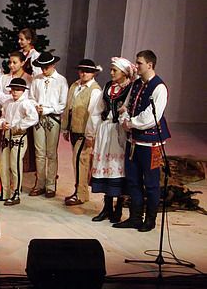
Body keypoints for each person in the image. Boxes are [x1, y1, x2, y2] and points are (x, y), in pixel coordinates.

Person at [114, 50, 170, 232]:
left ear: (150, 65)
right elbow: (126, 107)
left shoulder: (159, 87)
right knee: (133, 180)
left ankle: (150, 219)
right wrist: (125, 119)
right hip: (133, 141)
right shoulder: (137, 84)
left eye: (139, 63)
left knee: (151, 184)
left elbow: (151, 117)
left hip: (150, 144)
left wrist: (131, 123)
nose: (136, 66)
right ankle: (135, 217)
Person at [90, 57, 135, 223]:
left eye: (114, 70)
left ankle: (118, 208)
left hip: (119, 131)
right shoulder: (108, 86)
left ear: (124, 72)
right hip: (106, 129)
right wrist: (93, 130)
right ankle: (107, 207)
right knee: (105, 166)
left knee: (117, 167)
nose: (111, 73)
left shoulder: (130, 88)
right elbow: (99, 108)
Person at [61, 59, 103, 206]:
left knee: (81, 161)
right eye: (82, 71)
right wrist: (66, 128)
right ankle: (79, 191)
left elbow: (94, 114)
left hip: (84, 131)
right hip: (74, 128)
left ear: (93, 73)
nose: (84, 73)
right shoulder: (75, 86)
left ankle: (81, 193)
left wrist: (90, 134)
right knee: (77, 161)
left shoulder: (95, 90)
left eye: (88, 71)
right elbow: (68, 107)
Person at [28, 51, 67, 198]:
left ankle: (51, 184)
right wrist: (36, 106)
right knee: (39, 152)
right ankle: (40, 183)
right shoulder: (37, 80)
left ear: (53, 65)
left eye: (46, 67)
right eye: (42, 67)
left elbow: (62, 103)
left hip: (53, 118)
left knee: (51, 153)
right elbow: (31, 97)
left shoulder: (61, 81)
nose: (44, 70)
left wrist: (47, 109)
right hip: (38, 118)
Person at [0, 78, 39, 205]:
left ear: (23, 91)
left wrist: (19, 126)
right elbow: (2, 116)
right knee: (4, 165)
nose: (15, 92)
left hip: (18, 136)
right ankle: (5, 192)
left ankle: (16, 193)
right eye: (13, 89)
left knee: (15, 165)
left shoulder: (25, 103)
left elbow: (34, 118)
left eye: (18, 90)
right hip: (6, 135)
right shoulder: (7, 102)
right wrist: (2, 124)